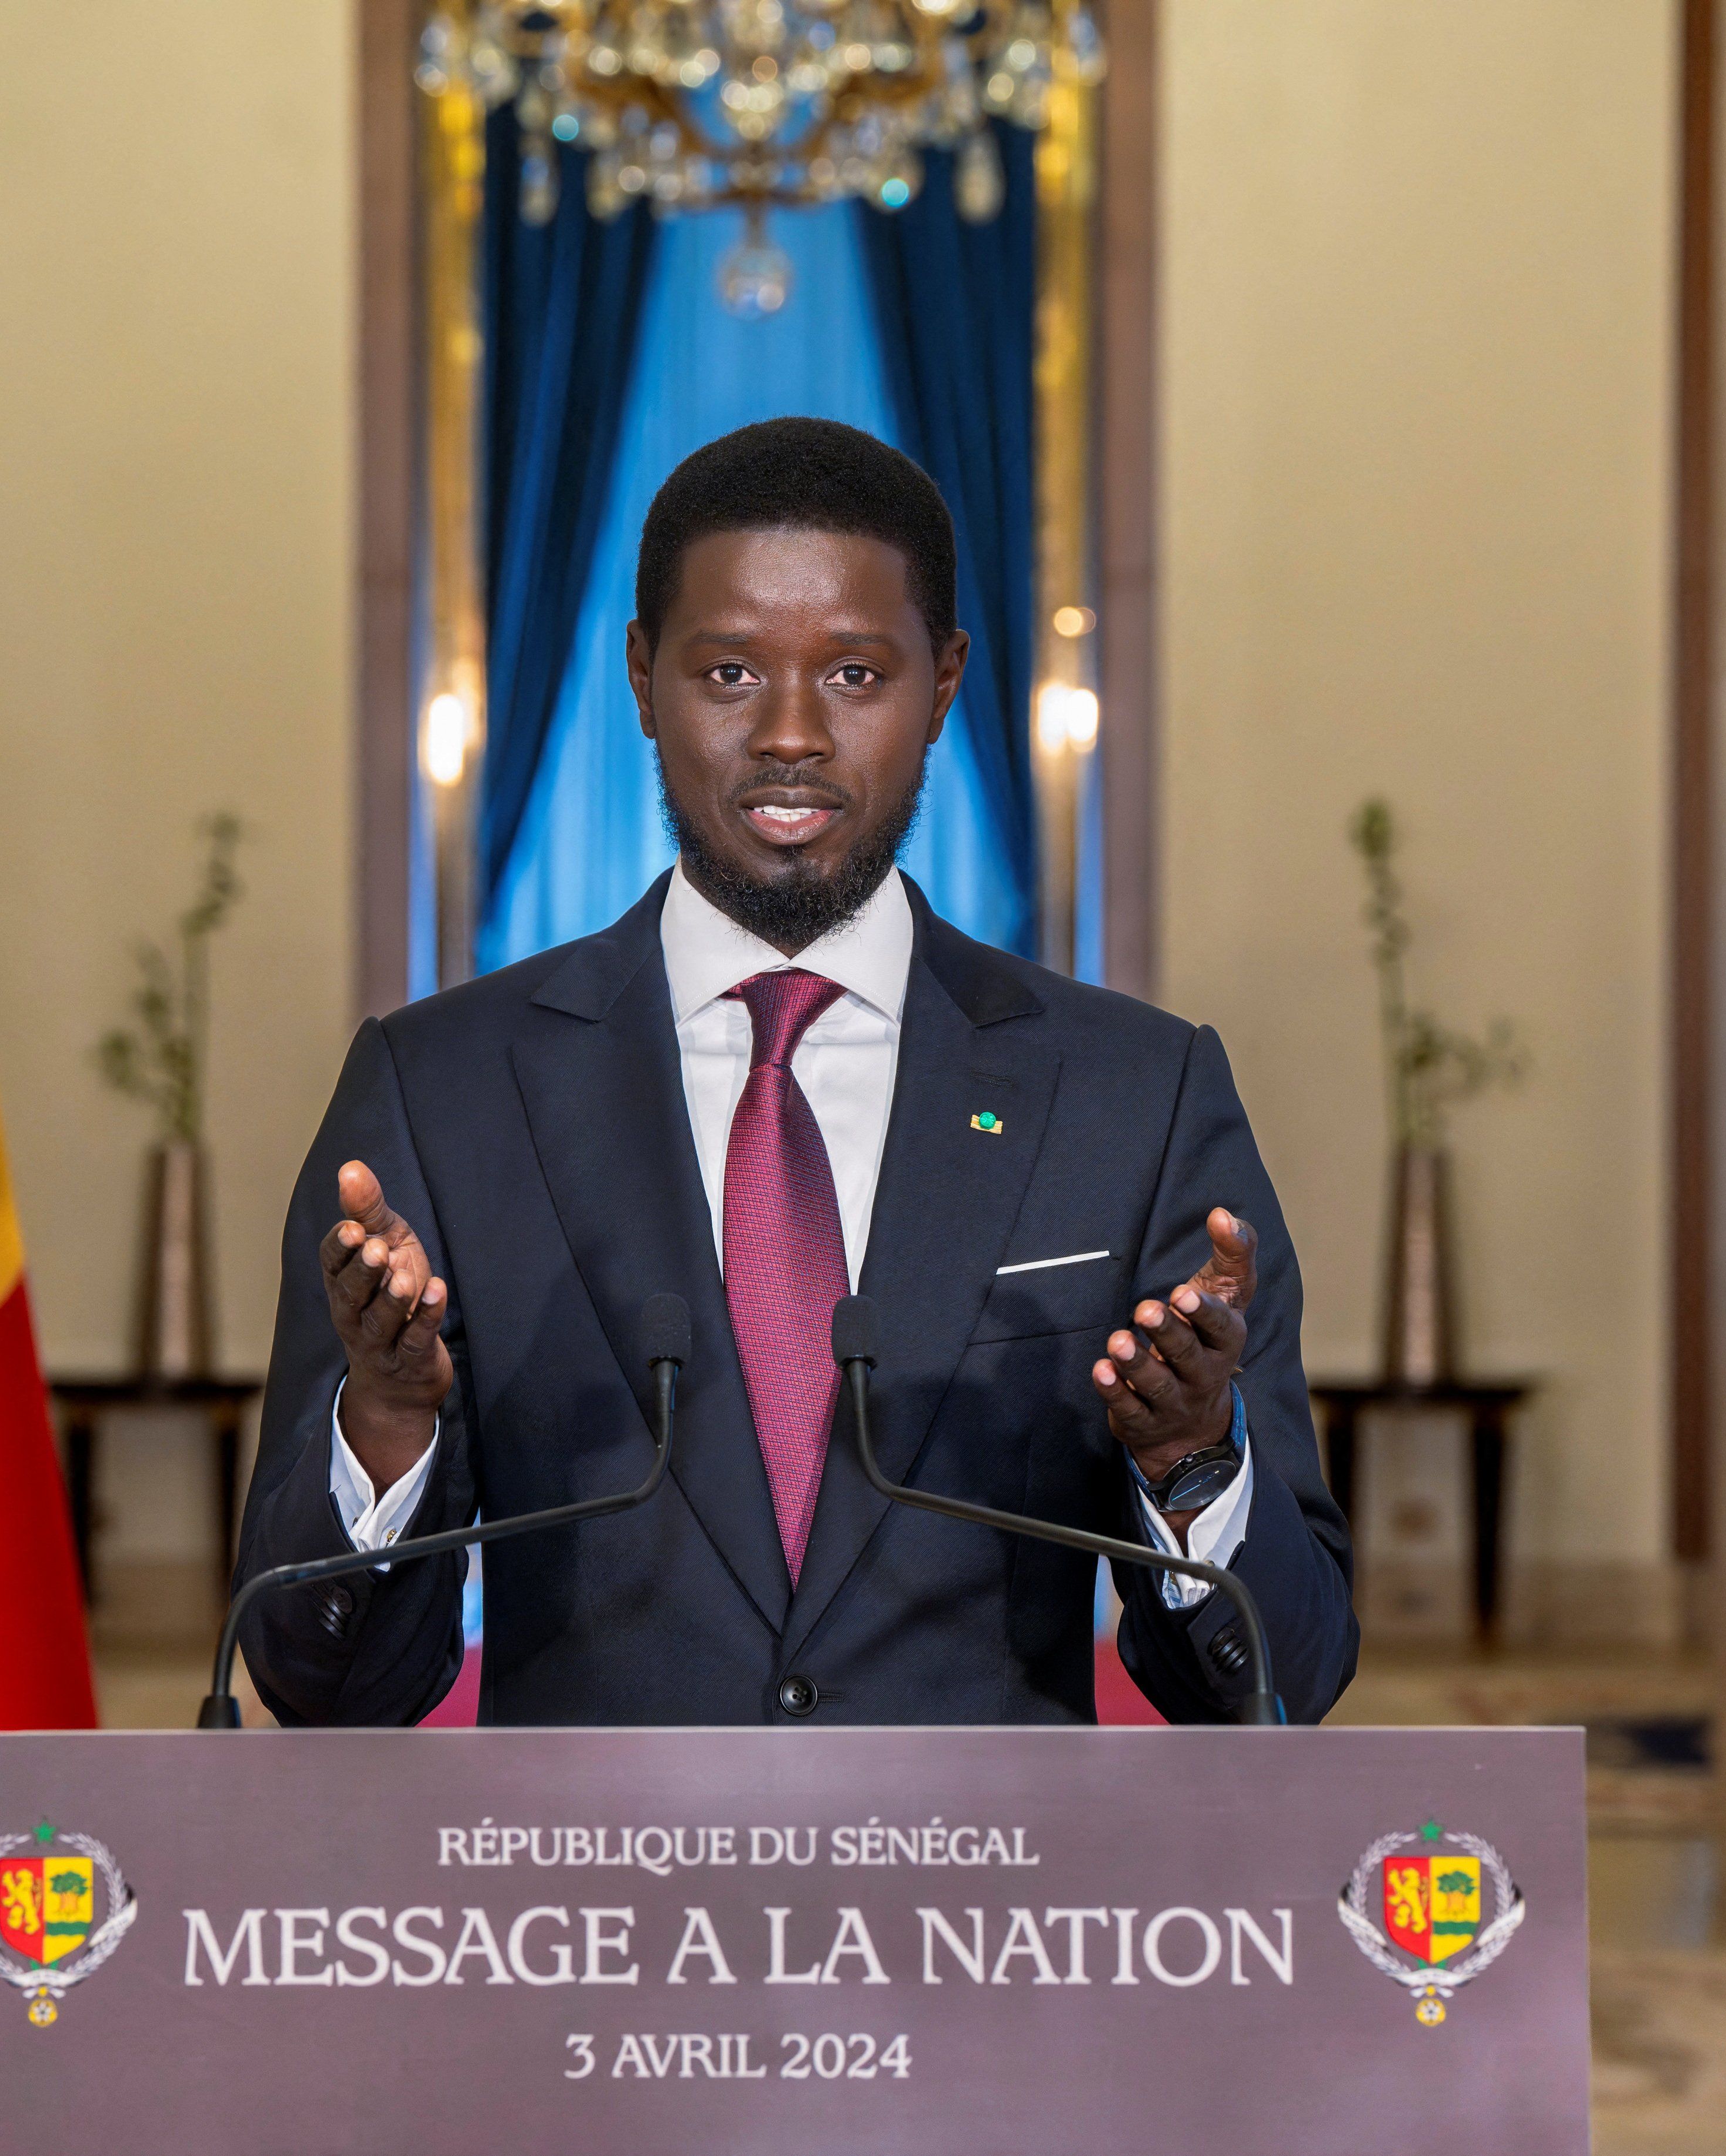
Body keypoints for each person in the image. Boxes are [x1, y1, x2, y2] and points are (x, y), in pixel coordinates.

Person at [236, 416, 1357, 1727]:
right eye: (724, 673)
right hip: (592, 1908)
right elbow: (320, 1685)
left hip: (988, 1913)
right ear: (642, 679)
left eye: (852, 676)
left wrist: (1185, 1461)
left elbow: (1287, 1678)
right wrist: (385, 1423)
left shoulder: (1134, 1095)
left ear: (941, 685)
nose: (786, 734)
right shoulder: (441, 1091)